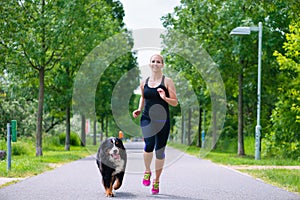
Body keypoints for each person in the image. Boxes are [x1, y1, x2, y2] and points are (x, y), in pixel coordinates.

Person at [132, 54, 178, 194]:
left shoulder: (168, 81)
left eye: (158, 62)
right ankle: (147, 171)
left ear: (162, 65)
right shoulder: (144, 81)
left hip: (162, 120)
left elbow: (175, 102)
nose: (155, 64)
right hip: (147, 118)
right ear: (150, 64)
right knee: (148, 145)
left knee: (159, 151)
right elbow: (143, 98)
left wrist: (164, 97)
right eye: (153, 61)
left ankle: (156, 181)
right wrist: (139, 109)